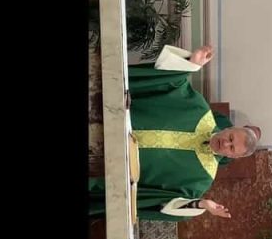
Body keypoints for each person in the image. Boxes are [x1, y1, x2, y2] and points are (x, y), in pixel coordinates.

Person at [89, 44, 262, 221]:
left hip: (103, 167)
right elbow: (171, 82)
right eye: (231, 138)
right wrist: (190, 64)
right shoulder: (197, 107)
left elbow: (170, 204)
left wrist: (201, 204)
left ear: (233, 157)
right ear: (228, 128)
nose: (225, 143)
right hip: (102, 120)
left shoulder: (201, 179)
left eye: (231, 148)